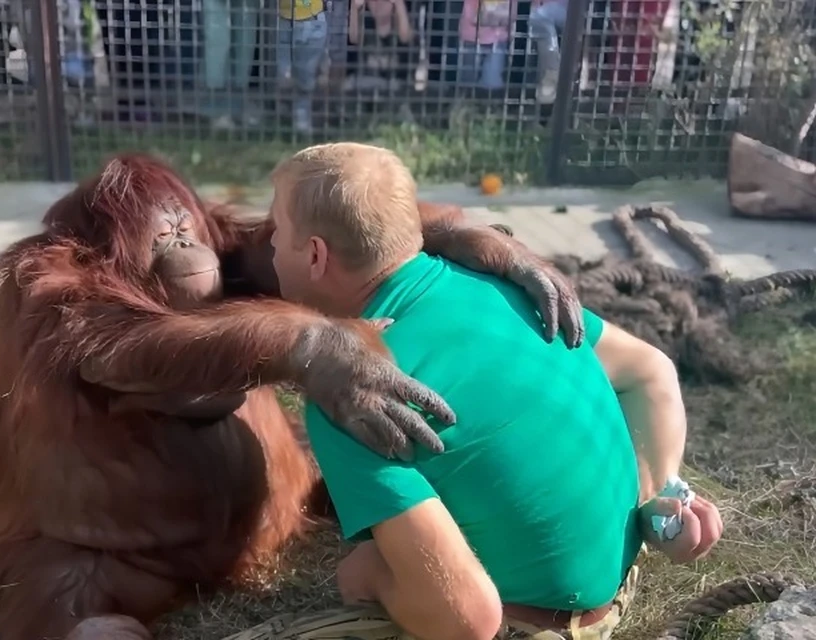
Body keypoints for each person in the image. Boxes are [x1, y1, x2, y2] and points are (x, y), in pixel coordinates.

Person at [225, 142, 723, 640]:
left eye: (277, 234)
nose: (269, 249)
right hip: (617, 573)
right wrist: (655, 483)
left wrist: (371, 576)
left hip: (527, 623)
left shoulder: (354, 395)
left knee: (351, 579)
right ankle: (661, 513)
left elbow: (466, 621)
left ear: (315, 255)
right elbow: (651, 371)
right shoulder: (504, 285)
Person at [277, 0, 330, 133]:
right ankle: (291, 115)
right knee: (285, 76)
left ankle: (302, 118)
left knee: (306, 76)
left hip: (311, 21)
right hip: (285, 21)